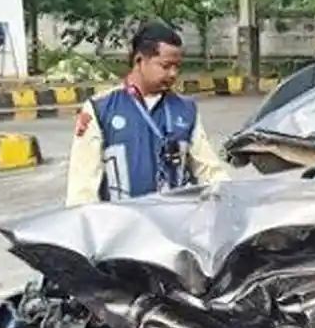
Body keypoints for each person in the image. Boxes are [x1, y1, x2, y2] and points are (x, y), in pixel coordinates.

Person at [65, 22, 230, 206]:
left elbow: (208, 170)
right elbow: (82, 187)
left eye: (177, 66)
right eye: (166, 66)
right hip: (122, 227)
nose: (173, 74)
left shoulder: (186, 109)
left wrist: (229, 197)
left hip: (174, 225)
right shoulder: (100, 109)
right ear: (139, 61)